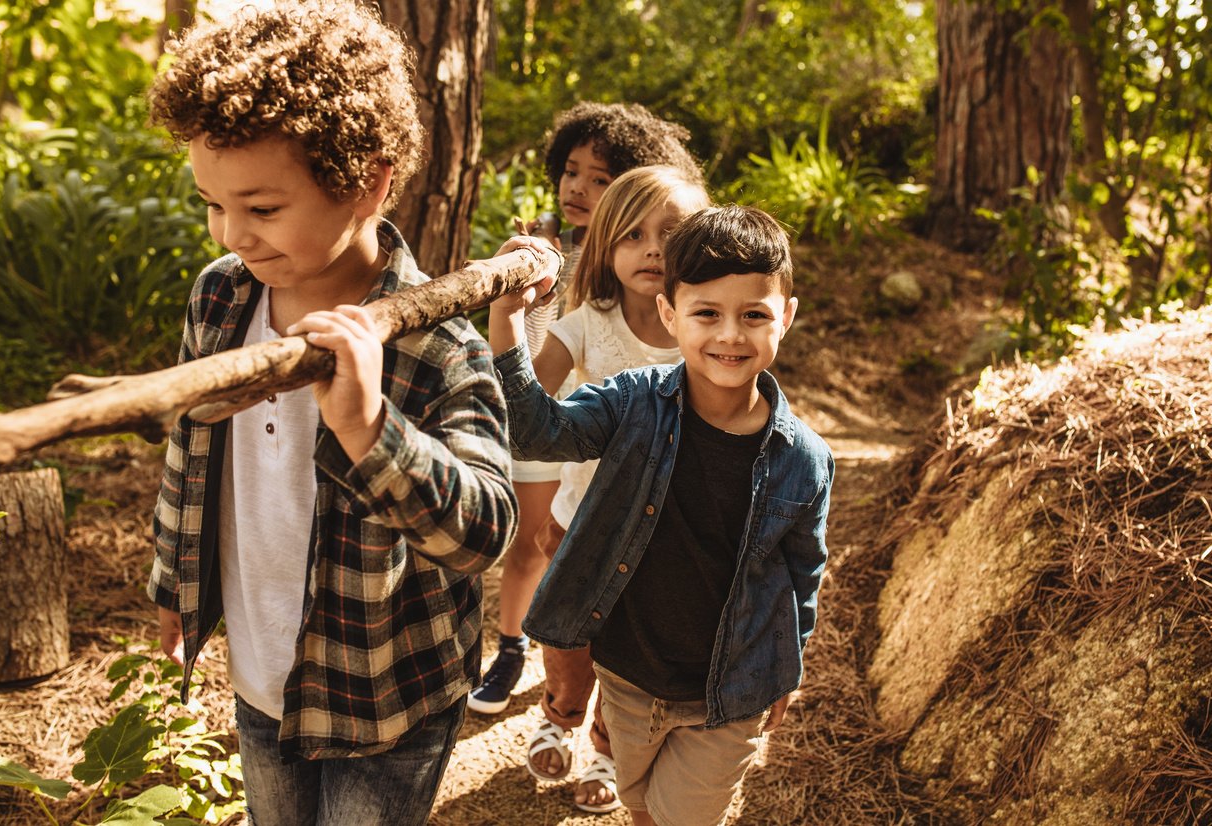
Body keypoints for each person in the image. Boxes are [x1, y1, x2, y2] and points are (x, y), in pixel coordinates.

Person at [144, 3, 517, 824]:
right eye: (213, 203)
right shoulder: (220, 296)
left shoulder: (435, 345)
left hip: (388, 692)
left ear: (370, 181)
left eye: (263, 209)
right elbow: (191, 442)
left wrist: (368, 426)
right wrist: (176, 578)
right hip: (262, 668)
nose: (234, 232)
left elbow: (485, 532)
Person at [491, 205, 834, 826]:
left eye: (753, 315)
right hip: (627, 673)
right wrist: (510, 317)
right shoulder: (633, 404)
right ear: (671, 315)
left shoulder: (805, 460)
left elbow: (802, 571)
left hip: (729, 689)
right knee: (642, 805)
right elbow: (536, 433)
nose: (730, 335)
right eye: (707, 313)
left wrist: (790, 664)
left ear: (785, 317)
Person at [471, 102, 705, 730]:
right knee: (542, 566)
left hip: (656, 518)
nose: (579, 187)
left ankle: (606, 739)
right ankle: (537, 676)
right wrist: (512, 303)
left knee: (628, 637)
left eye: (600, 179)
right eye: (571, 171)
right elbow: (527, 391)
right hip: (569, 465)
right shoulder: (545, 246)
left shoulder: (703, 324)